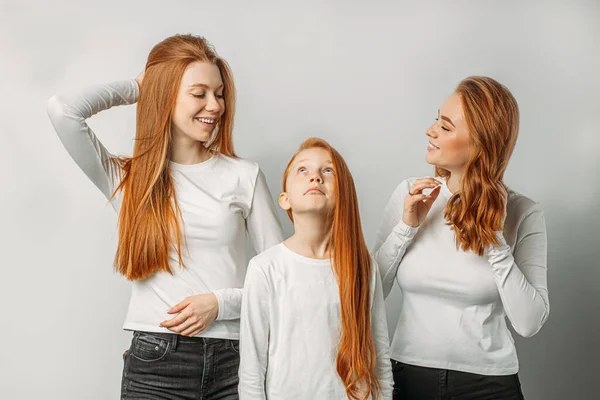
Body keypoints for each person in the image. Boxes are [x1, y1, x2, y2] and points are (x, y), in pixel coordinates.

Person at [46, 34, 284, 399]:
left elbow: (281, 277)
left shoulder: (244, 175)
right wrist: (139, 87)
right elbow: (63, 110)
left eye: (219, 94)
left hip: (237, 360)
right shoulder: (129, 180)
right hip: (156, 362)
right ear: (167, 93)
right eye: (199, 93)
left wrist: (220, 304)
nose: (215, 106)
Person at [373, 76, 549, 399]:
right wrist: (405, 228)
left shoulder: (522, 212)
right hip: (409, 378)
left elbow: (529, 322)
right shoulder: (410, 195)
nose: (430, 131)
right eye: (435, 119)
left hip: (490, 386)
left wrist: (494, 237)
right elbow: (369, 292)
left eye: (446, 126)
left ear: (479, 143)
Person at [239, 138, 393, 399]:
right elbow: (252, 370)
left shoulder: (363, 267)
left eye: (328, 170)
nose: (316, 178)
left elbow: (379, 357)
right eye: (303, 170)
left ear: (343, 194)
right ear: (284, 199)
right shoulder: (265, 268)